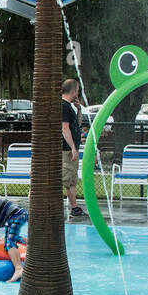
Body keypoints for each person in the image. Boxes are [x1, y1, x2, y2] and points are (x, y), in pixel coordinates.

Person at [62, 78, 87, 218]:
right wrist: (72, 147)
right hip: (66, 149)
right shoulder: (63, 106)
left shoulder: (69, 106)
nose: (77, 93)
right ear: (72, 91)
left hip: (70, 148)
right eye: (77, 91)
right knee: (67, 179)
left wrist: (78, 109)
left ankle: (74, 207)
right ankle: (74, 207)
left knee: (71, 179)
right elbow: (64, 128)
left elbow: (76, 124)